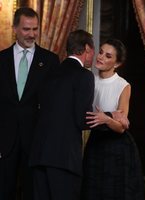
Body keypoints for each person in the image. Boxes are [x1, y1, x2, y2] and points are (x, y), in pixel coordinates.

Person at [0, 7, 60, 200]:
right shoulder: (0, 60)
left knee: (33, 193)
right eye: (26, 29)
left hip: (35, 141)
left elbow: (54, 105)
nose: (32, 34)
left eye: (35, 29)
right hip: (4, 140)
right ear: (15, 28)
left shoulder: (50, 60)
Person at [29, 29, 95, 200]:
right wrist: (109, 117)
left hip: (38, 155)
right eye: (94, 51)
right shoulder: (84, 76)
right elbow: (83, 120)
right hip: (64, 159)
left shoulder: (48, 73)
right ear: (87, 48)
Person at [81, 38, 145, 200]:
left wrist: (107, 119)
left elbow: (121, 126)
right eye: (101, 52)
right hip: (95, 144)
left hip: (118, 148)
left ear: (117, 64)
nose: (101, 57)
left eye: (108, 56)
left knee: (113, 193)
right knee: (92, 190)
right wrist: (109, 116)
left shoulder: (123, 85)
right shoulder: (89, 79)